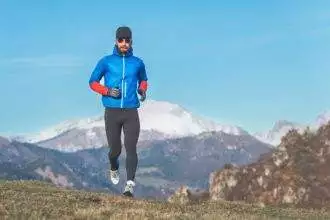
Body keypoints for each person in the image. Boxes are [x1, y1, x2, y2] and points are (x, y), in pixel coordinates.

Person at [88, 26, 148, 197]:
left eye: (127, 40)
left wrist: (142, 90)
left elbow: (143, 80)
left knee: (131, 147)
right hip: (112, 112)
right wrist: (107, 91)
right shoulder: (106, 61)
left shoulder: (137, 62)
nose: (124, 43)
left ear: (131, 41)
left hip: (130, 111)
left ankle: (129, 185)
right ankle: (113, 166)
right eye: (121, 40)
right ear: (116, 41)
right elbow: (92, 82)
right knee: (115, 150)